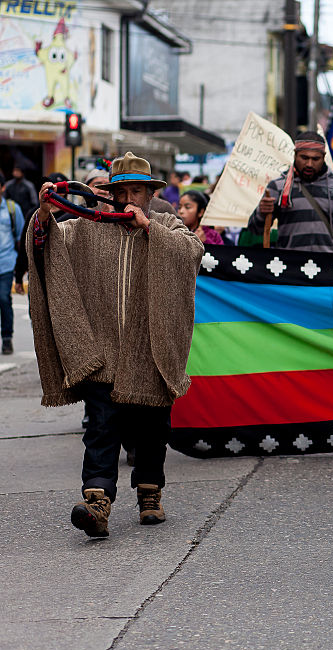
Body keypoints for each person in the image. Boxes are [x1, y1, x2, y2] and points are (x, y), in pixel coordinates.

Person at [27, 151, 204, 537]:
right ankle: (97, 503)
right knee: (101, 427)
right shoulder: (87, 226)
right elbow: (48, 245)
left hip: (151, 349)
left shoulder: (166, 224)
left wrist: (149, 230)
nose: (127, 200)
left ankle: (150, 494)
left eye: (136, 192)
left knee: (152, 428)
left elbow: (193, 253)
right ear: (109, 193)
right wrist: (44, 215)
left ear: (150, 194)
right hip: (103, 349)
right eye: (120, 192)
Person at [246, 131, 333, 253]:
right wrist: (261, 212)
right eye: (304, 158)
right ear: (295, 155)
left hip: (328, 268)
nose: (309, 164)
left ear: (324, 157)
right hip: (289, 266)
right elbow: (255, 230)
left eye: (315, 159)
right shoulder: (278, 186)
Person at [0, 190, 25, 354]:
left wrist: (20, 267)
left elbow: (21, 236)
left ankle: (7, 338)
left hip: (6, 262)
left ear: (2, 188)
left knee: (3, 298)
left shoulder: (12, 209)